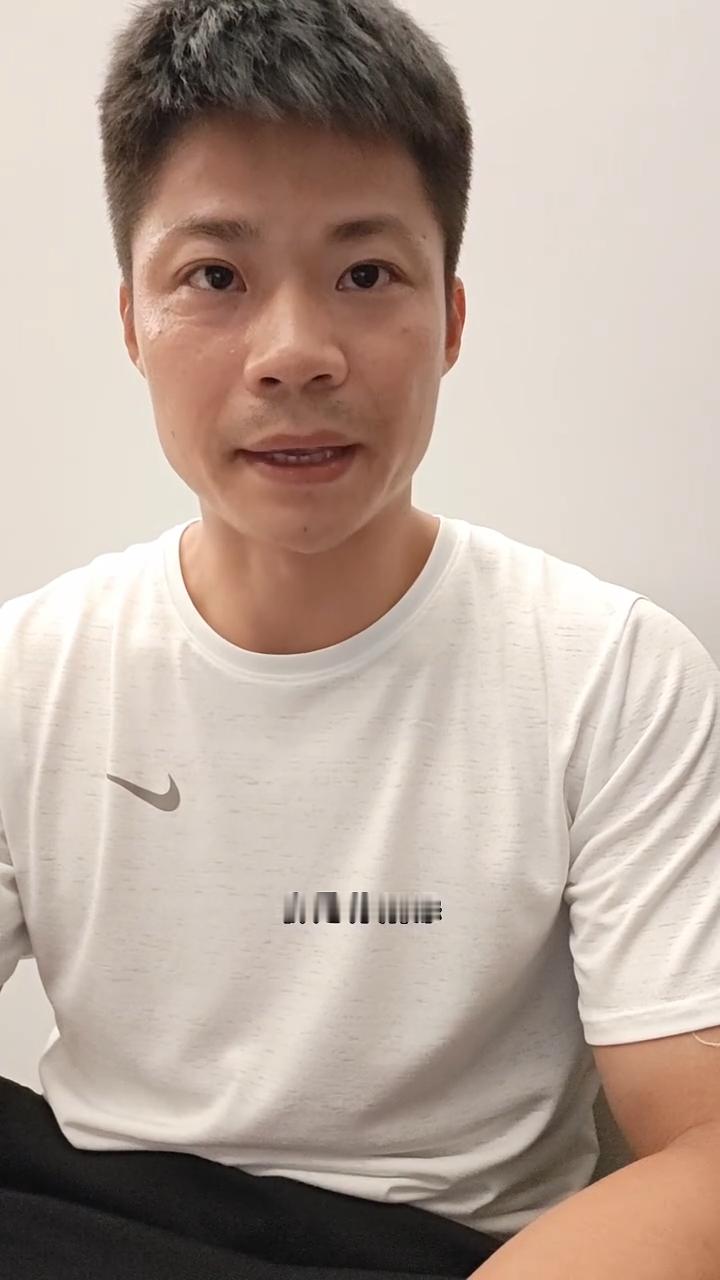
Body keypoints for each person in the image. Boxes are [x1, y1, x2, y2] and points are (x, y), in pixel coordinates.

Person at [1, 1, 719, 1277]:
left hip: (439, 1252)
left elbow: (703, 1143)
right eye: (215, 277)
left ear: (451, 317)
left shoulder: (610, 671)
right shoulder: (30, 671)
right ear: (131, 320)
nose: (295, 354)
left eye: (367, 273)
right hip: (99, 1219)